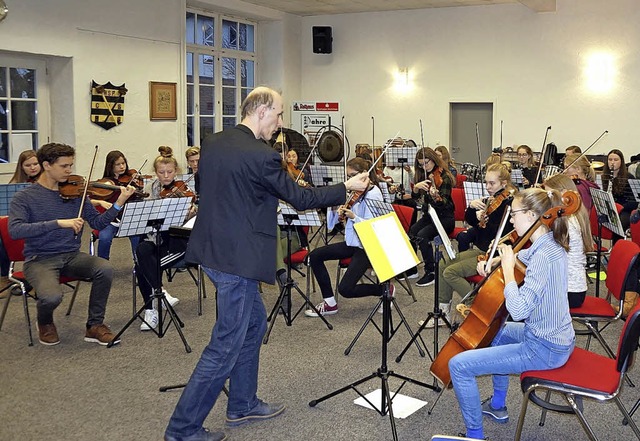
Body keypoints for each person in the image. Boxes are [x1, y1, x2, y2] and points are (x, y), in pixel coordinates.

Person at [164, 86, 369, 441]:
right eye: (278, 113)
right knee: (225, 343)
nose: (280, 122)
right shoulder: (263, 156)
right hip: (237, 259)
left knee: (255, 326)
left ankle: (241, 404)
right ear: (261, 111)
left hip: (212, 248)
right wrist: (345, 185)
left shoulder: (214, 143)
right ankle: (183, 429)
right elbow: (300, 198)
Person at [448, 187, 575, 440]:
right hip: (555, 337)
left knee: (458, 366)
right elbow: (523, 255)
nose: (512, 219)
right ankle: (497, 406)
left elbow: (518, 310)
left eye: (514, 214)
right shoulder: (547, 243)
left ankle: (474, 435)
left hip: (544, 347)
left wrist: (507, 272)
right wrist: (496, 261)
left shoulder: (544, 257)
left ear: (530, 215)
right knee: (495, 329)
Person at [8, 142, 135, 346]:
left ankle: (94, 325)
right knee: (51, 297)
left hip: (71, 256)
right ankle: (46, 322)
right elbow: (15, 230)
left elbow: (98, 223)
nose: (69, 170)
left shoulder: (77, 192)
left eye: (71, 165)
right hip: (40, 259)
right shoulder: (25, 197)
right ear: (47, 165)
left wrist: (119, 202)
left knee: (105, 268)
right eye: (64, 166)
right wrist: (58, 223)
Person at [426, 163, 515, 328]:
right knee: (442, 264)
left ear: (503, 183)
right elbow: (473, 223)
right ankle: (443, 311)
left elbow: (499, 232)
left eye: (492, 183)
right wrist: (472, 208)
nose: (488, 187)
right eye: (486, 182)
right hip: (480, 249)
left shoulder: (508, 204)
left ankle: (477, 306)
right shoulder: (491, 200)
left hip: (493, 254)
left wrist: (485, 217)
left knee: (450, 272)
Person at [305, 157, 385, 317]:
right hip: (352, 242)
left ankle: (384, 290)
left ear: (365, 174)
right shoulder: (352, 193)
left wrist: (353, 216)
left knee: (346, 289)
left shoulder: (374, 194)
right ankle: (329, 303)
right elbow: (330, 225)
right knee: (314, 256)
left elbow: (372, 227)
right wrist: (334, 208)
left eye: (353, 175)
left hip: (368, 246)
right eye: (348, 177)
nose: (350, 180)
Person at [134, 147, 187, 331]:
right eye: (161, 172)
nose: (166, 176)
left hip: (175, 243)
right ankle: (159, 293)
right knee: (141, 251)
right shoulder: (149, 190)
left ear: (176, 171)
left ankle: (151, 307)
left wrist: (187, 210)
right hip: (153, 237)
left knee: (141, 266)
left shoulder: (183, 190)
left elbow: (190, 223)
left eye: (170, 172)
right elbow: (142, 220)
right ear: (155, 173)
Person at [406, 147, 455, 286]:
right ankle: (412, 269)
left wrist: (434, 196)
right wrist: (416, 189)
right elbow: (417, 200)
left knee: (422, 235)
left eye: (426, 163)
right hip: (430, 215)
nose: (424, 167)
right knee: (412, 232)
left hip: (445, 218)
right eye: (421, 164)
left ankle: (431, 272)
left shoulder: (444, 177)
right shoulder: (423, 174)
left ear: (434, 160)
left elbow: (444, 203)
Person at [544, 174, 593, 308]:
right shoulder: (571, 216)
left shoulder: (567, 223)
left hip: (569, 291)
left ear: (565, 195)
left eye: (549, 195)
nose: (546, 199)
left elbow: (546, 254)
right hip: (574, 287)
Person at [93, 150, 145, 260]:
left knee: (137, 235)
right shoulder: (105, 183)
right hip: (111, 221)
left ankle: (139, 263)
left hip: (129, 220)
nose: (122, 166)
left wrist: (138, 186)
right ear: (110, 166)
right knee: (104, 237)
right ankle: (103, 264)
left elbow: (139, 197)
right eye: (118, 164)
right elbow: (90, 200)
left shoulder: (131, 180)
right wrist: (100, 202)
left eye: (123, 163)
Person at [602, 149, 635, 235]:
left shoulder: (629, 178)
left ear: (621, 162)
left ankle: (616, 245)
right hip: (609, 209)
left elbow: (634, 202)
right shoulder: (604, 177)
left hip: (624, 210)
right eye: (610, 160)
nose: (612, 162)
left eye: (616, 160)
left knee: (620, 223)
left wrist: (620, 207)